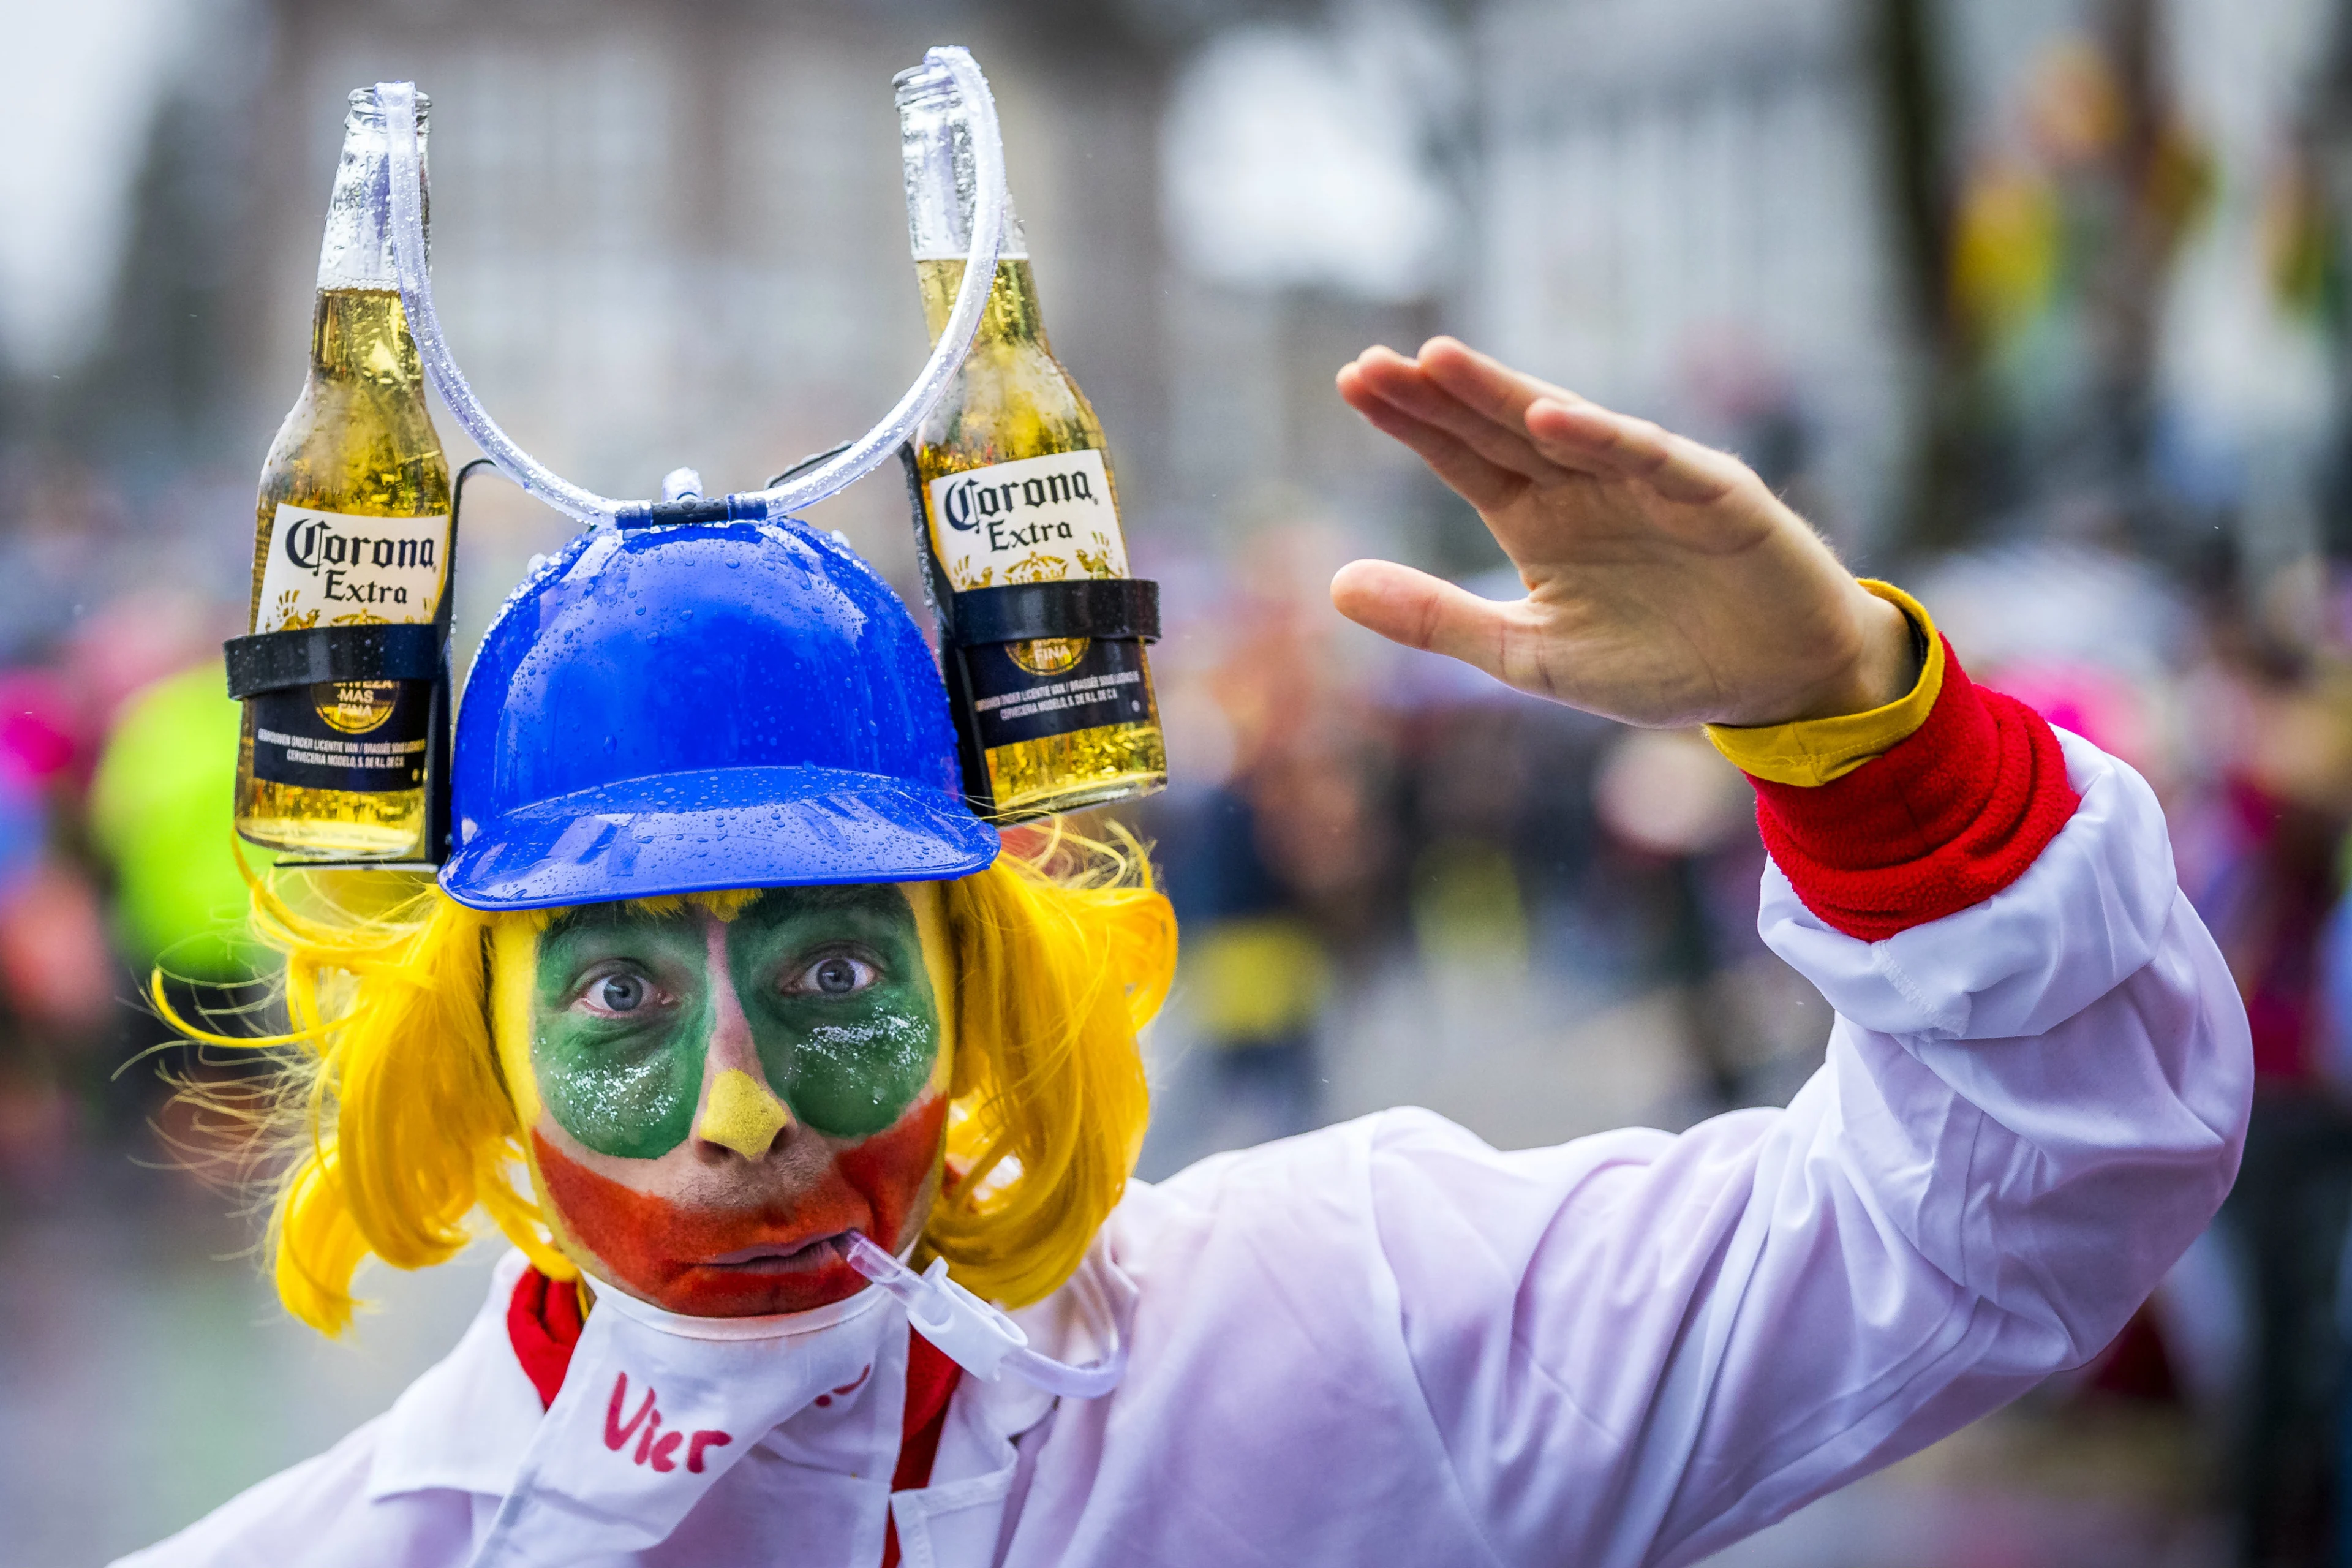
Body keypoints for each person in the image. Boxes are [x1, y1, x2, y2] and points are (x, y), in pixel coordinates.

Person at [118, 338, 2249, 1568]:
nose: (743, 1105)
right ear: (470, 1046)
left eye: (844, 977)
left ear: (983, 982)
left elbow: (2008, 1216)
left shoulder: (1345, 1342)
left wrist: (1858, 735)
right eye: (614, 997)